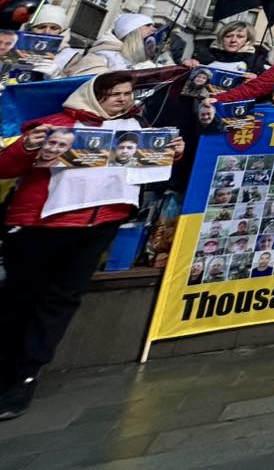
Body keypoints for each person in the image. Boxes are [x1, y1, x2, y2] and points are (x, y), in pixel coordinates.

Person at [0, 72, 184, 419]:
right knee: (20, 298)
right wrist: (26, 147)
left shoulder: (136, 128)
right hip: (42, 225)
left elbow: (148, 171)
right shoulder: (56, 124)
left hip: (100, 225)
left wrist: (171, 154)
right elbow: (6, 166)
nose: (121, 99)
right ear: (92, 95)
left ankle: (25, 374)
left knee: (61, 300)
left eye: (127, 93)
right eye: (113, 93)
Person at [58, 13, 156, 77]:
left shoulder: (138, 59)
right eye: (148, 25)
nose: (153, 29)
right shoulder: (102, 55)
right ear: (131, 32)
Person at [22, 5, 80, 77]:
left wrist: (57, 76)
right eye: (41, 27)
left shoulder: (70, 56)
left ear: (62, 31)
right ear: (31, 29)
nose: (47, 32)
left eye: (54, 28)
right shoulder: (12, 46)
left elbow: (75, 86)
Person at [194, 21, 269, 76]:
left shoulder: (255, 60)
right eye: (228, 36)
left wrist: (256, 80)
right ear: (221, 38)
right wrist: (187, 66)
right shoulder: (206, 53)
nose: (233, 40)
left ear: (248, 40)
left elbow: (265, 85)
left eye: (240, 37)